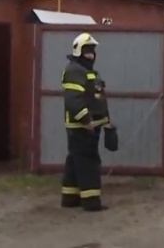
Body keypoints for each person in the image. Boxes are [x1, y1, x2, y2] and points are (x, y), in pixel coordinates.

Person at [60, 33, 112, 212]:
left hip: (89, 125)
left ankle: (70, 197)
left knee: (75, 159)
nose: (91, 55)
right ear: (78, 51)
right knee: (89, 161)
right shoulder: (75, 70)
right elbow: (73, 100)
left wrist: (106, 123)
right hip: (82, 126)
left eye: (92, 51)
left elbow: (97, 99)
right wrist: (86, 120)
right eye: (87, 51)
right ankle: (91, 201)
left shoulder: (87, 71)